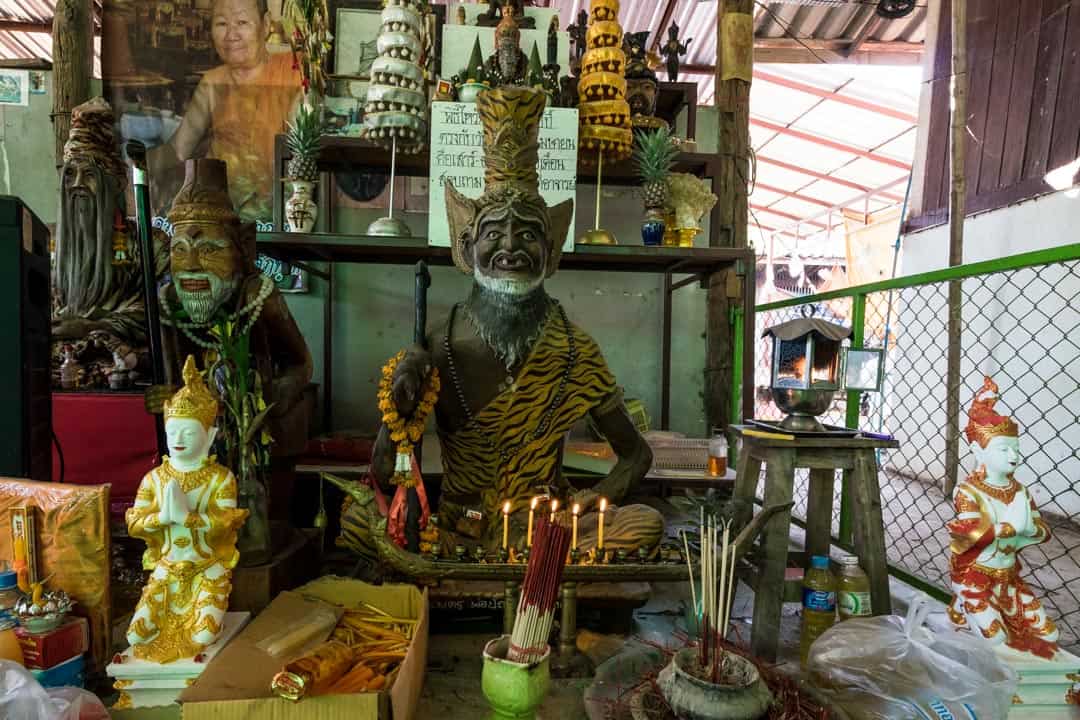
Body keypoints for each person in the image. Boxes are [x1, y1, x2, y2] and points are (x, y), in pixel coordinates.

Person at [156, 0, 301, 223]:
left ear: (265, 25)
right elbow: (179, 150)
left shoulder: (294, 72)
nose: (231, 35)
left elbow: (300, 154)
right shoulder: (213, 82)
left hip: (278, 219)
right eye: (222, 24)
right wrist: (135, 165)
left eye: (242, 22)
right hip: (220, 217)